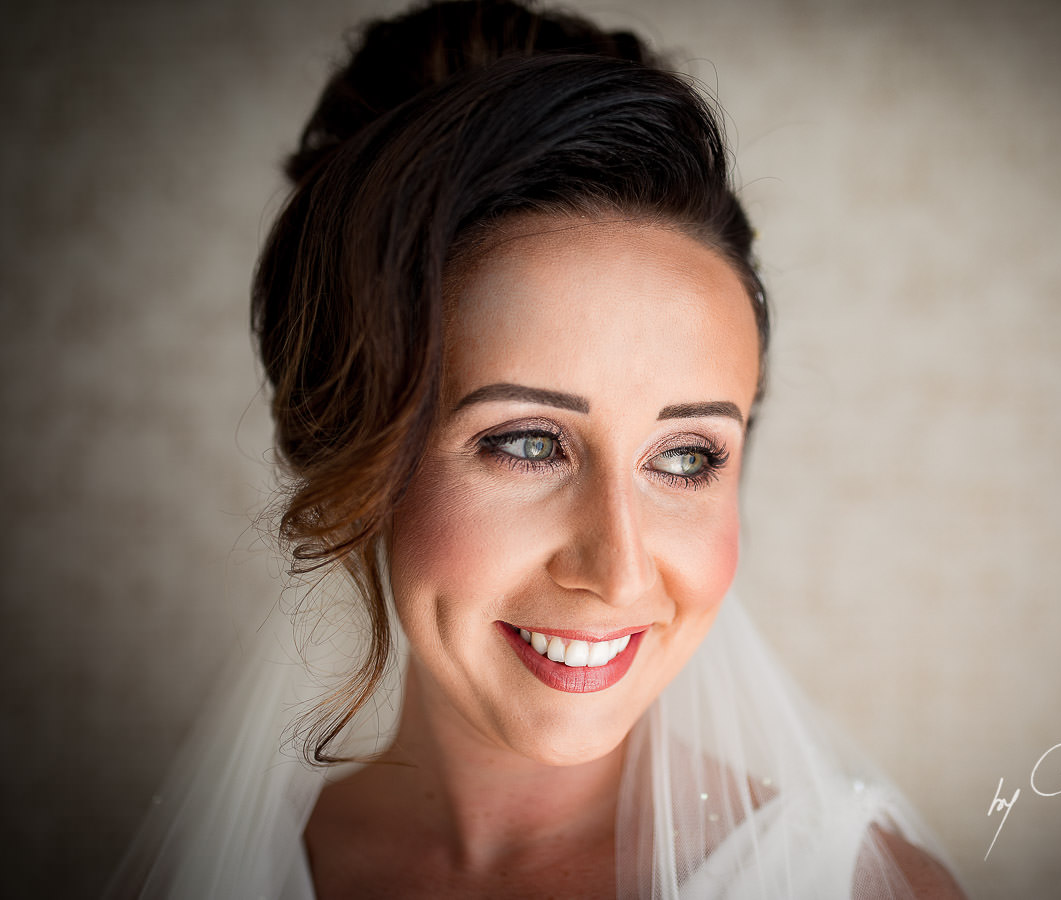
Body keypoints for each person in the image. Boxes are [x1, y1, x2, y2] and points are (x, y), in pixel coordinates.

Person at [106, 1, 964, 897]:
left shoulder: (854, 884)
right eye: (527, 442)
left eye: (685, 457)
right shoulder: (226, 869)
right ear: (356, 454)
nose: (619, 570)